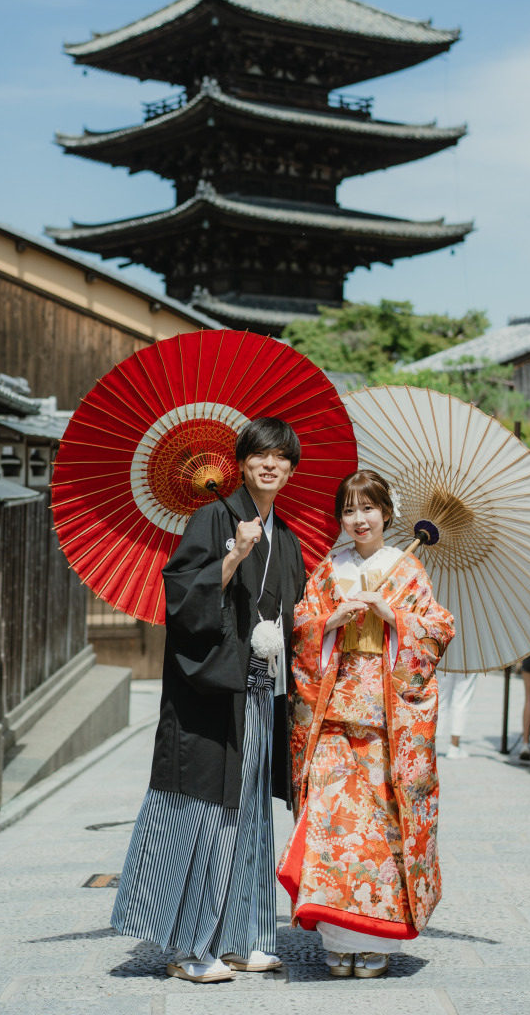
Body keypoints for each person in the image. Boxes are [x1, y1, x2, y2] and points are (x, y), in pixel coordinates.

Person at [111, 417, 307, 983]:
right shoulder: (215, 518)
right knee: (204, 814)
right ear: (242, 462)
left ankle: (245, 937)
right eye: (259, 456)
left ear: (291, 471)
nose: (270, 465)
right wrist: (230, 559)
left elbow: (294, 615)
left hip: (261, 691)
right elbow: (179, 598)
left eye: (281, 459)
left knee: (250, 816)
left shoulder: (287, 537)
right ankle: (190, 946)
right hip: (210, 694)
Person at [278, 469, 454, 980]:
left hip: (385, 716)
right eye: (349, 510)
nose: (358, 519)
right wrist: (327, 623)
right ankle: (337, 937)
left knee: (378, 830)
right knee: (333, 827)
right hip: (333, 714)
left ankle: (375, 936)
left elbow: (438, 629)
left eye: (368, 508)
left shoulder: (406, 570)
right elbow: (303, 623)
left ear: (386, 514)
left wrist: (394, 615)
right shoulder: (328, 569)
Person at [437, 672, 477, 759]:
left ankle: (432, 745)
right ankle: (454, 747)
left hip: (443, 660)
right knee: (462, 699)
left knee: (440, 698)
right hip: (467, 661)